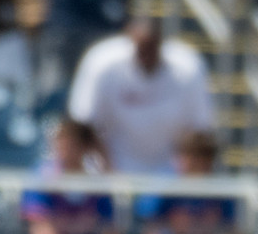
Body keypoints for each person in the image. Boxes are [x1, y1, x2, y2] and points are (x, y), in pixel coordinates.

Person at [66, 20, 217, 176]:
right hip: (106, 171)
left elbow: (199, 130)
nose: (146, 55)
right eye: (141, 49)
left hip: (169, 176)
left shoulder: (188, 67)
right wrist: (111, 173)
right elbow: (83, 125)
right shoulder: (102, 63)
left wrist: (181, 170)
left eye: (151, 48)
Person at [131, 131, 252, 234]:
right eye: (187, 155)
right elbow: (149, 233)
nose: (193, 162)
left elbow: (232, 233)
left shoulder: (221, 190)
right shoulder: (164, 186)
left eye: (202, 156)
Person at [23, 119, 118, 234]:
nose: (64, 148)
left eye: (72, 143)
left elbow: (110, 227)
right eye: (62, 142)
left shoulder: (96, 181)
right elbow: (38, 226)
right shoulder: (43, 176)